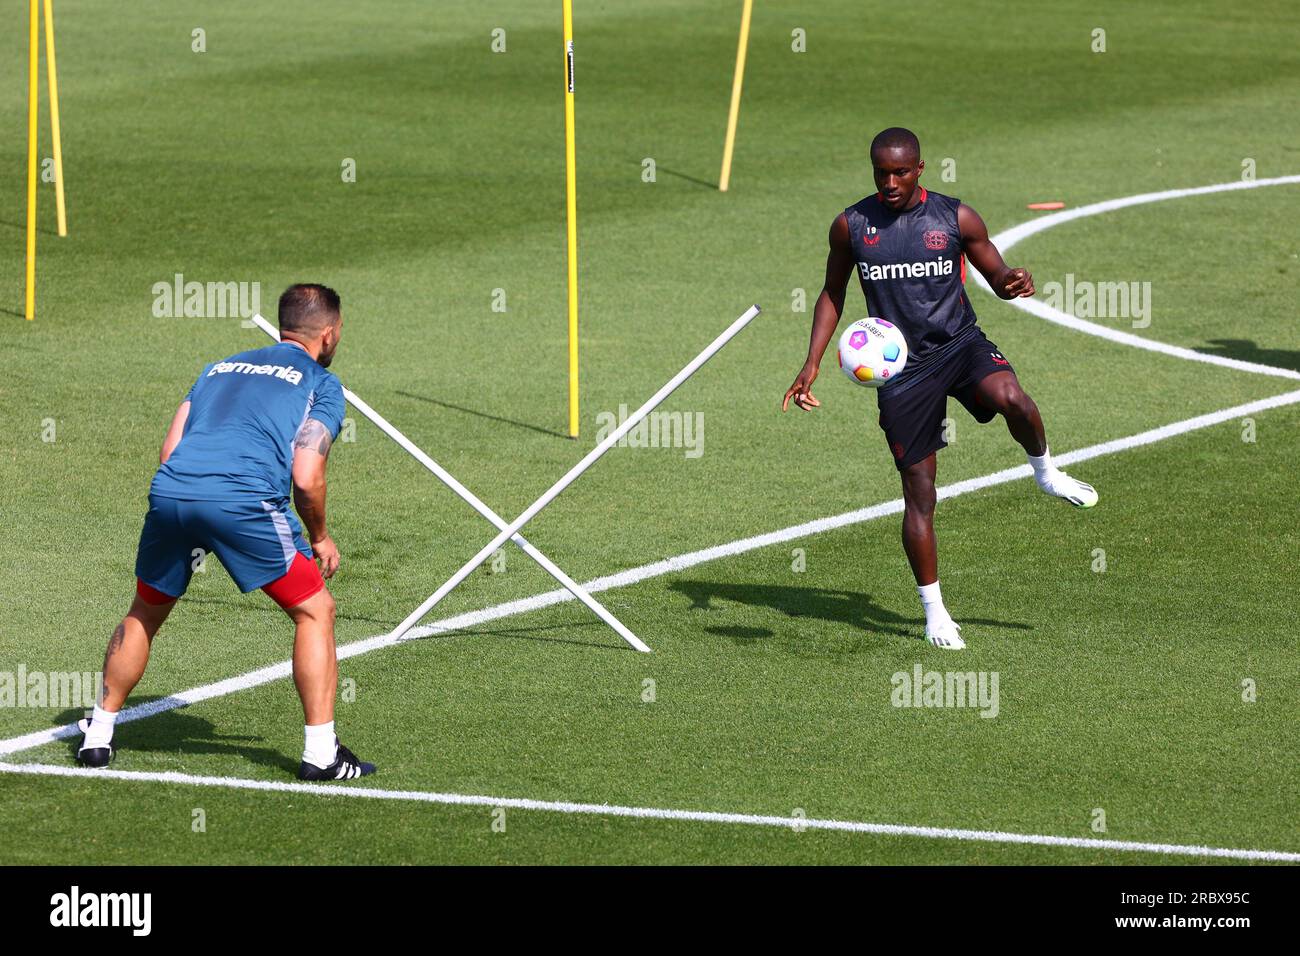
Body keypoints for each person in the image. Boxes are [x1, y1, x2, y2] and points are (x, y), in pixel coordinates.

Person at [783, 128, 1097, 650]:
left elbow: (996, 275)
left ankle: (1046, 472)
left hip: (960, 345)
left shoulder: (955, 217)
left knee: (1012, 397)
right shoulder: (852, 225)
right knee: (920, 494)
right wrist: (811, 362)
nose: (889, 181)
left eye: (900, 172)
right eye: (880, 171)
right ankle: (934, 611)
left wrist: (1014, 280)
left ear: (920, 169)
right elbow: (832, 291)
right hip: (903, 371)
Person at [77, 283, 375, 779]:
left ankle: (99, 734)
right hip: (242, 503)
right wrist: (319, 536)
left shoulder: (218, 367)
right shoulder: (323, 385)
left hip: (173, 493)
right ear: (329, 334)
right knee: (314, 610)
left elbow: (170, 450)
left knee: (146, 610)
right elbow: (306, 475)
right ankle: (322, 753)